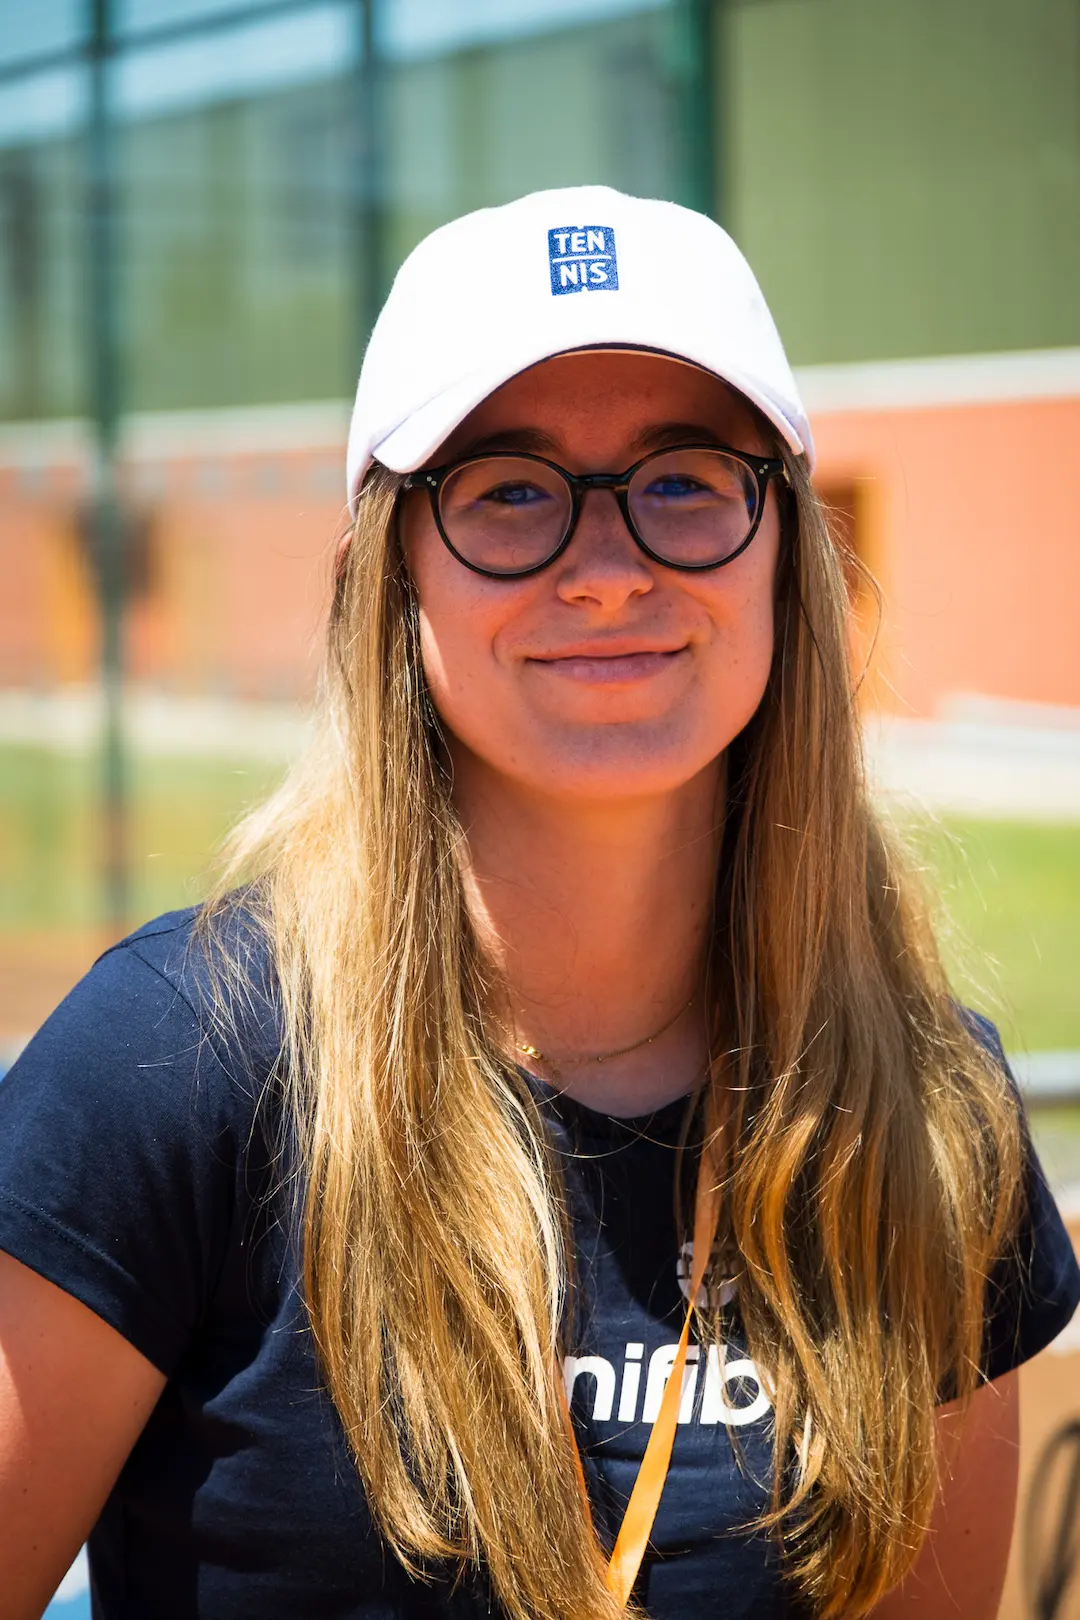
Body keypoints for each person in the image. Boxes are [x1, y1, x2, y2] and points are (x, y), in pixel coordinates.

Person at [0, 186, 1076, 1620]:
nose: (609, 569)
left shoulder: (929, 1128)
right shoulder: (169, 1070)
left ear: (785, 556)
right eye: (510, 492)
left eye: (684, 480)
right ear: (391, 575)